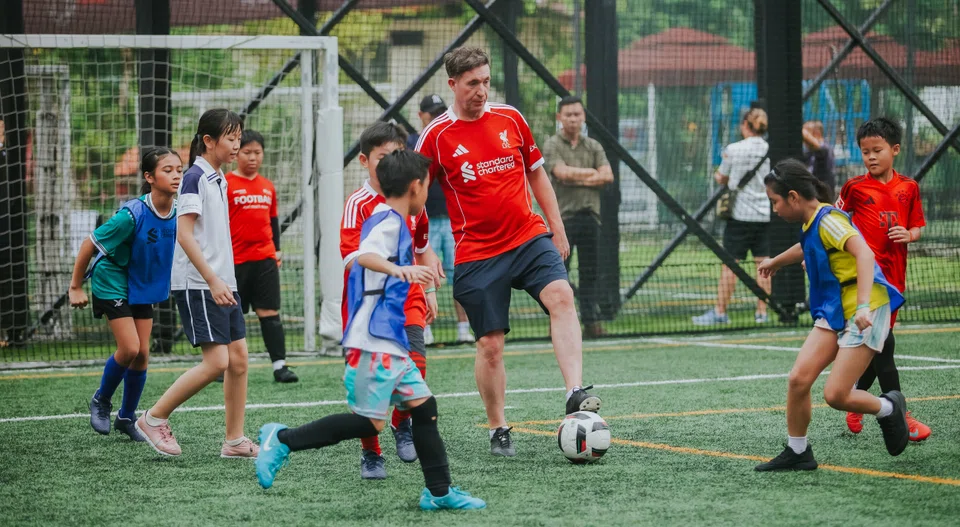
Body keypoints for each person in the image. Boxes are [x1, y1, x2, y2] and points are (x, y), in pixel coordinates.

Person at [255, 150, 486, 511]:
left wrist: (416, 276)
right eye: (427, 185)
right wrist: (403, 272)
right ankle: (282, 439)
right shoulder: (388, 221)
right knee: (369, 423)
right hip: (373, 340)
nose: (429, 192)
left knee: (424, 407)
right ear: (415, 186)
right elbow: (364, 254)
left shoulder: (392, 217)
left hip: (388, 339)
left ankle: (439, 492)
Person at [415, 46, 601, 457]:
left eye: (485, 81)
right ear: (452, 85)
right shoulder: (435, 137)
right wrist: (423, 253)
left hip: (528, 236)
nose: (482, 90)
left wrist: (556, 227)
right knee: (491, 345)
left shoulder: (511, 118)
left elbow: (536, 174)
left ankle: (574, 391)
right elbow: (415, 198)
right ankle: (498, 427)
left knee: (562, 296)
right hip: (476, 251)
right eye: (472, 83)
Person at [754, 158, 909, 472]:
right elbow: (806, 247)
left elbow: (863, 252)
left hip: (865, 309)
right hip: (836, 309)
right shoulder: (813, 224)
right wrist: (777, 262)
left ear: (794, 197)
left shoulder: (829, 220)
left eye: (775, 202)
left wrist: (863, 305)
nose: (775, 209)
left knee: (836, 395)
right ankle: (798, 451)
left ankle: (889, 407)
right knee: (799, 379)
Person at [136, 109, 258, 458]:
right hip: (200, 283)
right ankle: (153, 417)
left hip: (222, 282)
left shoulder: (219, 178)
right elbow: (185, 235)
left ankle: (234, 441)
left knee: (239, 360)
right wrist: (212, 279)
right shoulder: (194, 177)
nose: (237, 145)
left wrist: (225, 281)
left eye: (239, 137)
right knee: (218, 362)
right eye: (231, 138)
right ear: (208, 140)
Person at [341, 122, 441, 479]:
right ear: (366, 162)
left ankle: (404, 425)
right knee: (370, 390)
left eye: (397, 155)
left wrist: (426, 284)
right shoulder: (362, 205)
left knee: (417, 364)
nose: (390, 165)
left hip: (407, 300)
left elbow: (419, 247)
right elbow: (355, 258)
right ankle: (371, 452)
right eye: (383, 158)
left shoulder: (413, 202)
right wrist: (398, 271)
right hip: (370, 310)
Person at [70, 147, 181, 441]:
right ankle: (101, 400)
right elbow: (89, 244)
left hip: (141, 284)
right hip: (112, 280)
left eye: (179, 170)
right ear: (149, 177)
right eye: (167, 170)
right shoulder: (132, 215)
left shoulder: (179, 213)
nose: (176, 175)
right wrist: (75, 286)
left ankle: (127, 418)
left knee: (143, 355)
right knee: (130, 348)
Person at [836, 117, 930, 441]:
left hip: (896, 281)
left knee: (878, 346)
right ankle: (902, 416)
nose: (871, 157)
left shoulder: (909, 188)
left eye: (877, 150)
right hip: (869, 282)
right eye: (865, 152)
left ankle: (856, 400)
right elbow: (834, 222)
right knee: (885, 345)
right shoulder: (854, 188)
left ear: (895, 149)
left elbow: (918, 225)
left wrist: (910, 234)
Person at [226, 130, 298, 383]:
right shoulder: (226, 184)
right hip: (234, 261)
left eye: (257, 152)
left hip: (265, 259)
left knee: (269, 312)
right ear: (237, 154)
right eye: (247, 152)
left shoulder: (268, 187)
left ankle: (280, 366)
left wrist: (277, 249)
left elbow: (273, 221)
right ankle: (224, 365)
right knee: (231, 313)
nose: (253, 157)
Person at [543, 95, 614, 339]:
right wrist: (592, 174)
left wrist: (578, 176)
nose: (573, 118)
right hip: (563, 220)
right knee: (558, 272)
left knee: (590, 272)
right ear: (559, 117)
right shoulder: (552, 144)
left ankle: (591, 322)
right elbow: (560, 172)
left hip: (591, 218)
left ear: (583, 117)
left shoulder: (593, 146)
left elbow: (608, 175)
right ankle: (557, 321)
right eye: (568, 114)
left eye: (577, 114)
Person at [693, 108, 772, 326]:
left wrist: (718, 174)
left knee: (730, 265)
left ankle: (720, 311)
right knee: (763, 265)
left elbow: (722, 177)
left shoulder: (733, 149)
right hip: (765, 214)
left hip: (739, 216)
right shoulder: (769, 149)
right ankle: (762, 312)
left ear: (744, 124)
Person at [408, 94, 473, 345]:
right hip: (424, 220)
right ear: (420, 115)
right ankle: (423, 328)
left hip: (452, 221)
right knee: (424, 273)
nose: (435, 117)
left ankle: (463, 328)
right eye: (430, 113)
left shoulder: (451, 139)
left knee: (461, 274)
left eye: (439, 112)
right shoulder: (413, 143)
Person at [802, 120, 836, 199]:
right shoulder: (808, 152)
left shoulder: (825, 148)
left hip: (823, 196)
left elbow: (817, 146)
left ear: (817, 133)